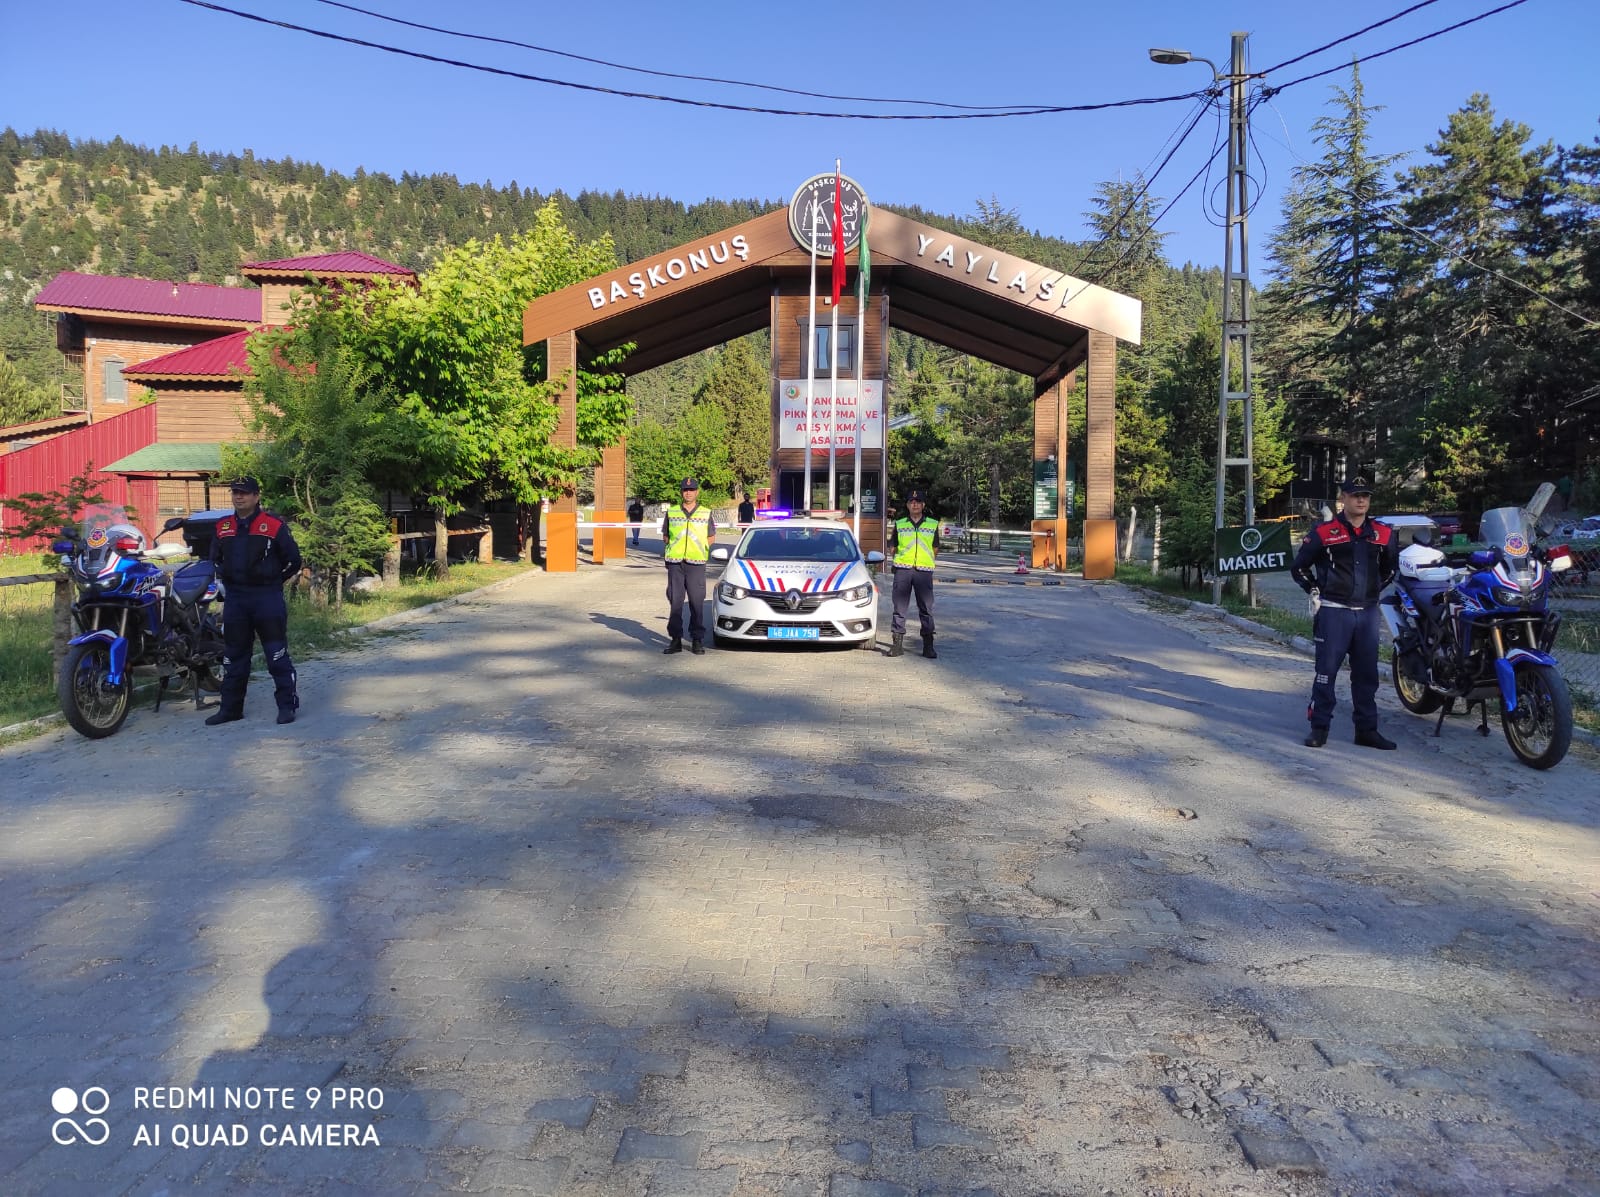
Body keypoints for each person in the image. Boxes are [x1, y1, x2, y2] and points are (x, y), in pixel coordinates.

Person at [1290, 476, 1400, 750]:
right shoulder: (1324, 532)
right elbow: (1299, 567)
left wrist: (1373, 592)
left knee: (1367, 675)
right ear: (1344, 499)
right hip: (1334, 613)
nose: (1361, 500)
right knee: (1326, 672)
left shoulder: (1382, 534)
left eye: (1365, 495)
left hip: (1367, 615)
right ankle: (1319, 728)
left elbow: (1390, 569)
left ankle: (1367, 730)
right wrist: (1315, 591)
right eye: (1355, 495)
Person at [206, 477, 303, 726]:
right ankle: (230, 709)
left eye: (245, 493)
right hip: (236, 599)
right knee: (234, 656)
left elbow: (294, 560)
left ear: (256, 497)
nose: (239, 497)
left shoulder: (272, 525)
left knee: (276, 655)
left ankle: (286, 706)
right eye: (236, 492)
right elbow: (214, 559)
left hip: (266, 597)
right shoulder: (223, 526)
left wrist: (273, 581)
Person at [661, 476, 715, 655]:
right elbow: (666, 536)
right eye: (685, 490)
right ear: (681, 492)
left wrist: (698, 549)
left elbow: (710, 537)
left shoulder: (706, 513)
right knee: (675, 602)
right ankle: (675, 639)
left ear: (697, 492)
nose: (688, 493)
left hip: (696, 564)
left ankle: (697, 640)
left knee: (696, 603)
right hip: (676, 564)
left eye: (691, 490)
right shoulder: (672, 512)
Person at [887, 489, 940, 658]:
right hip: (903, 570)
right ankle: (897, 645)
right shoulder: (900, 523)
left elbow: (935, 548)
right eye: (911, 501)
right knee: (899, 608)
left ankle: (928, 646)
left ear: (923, 505)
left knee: (926, 608)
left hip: (923, 572)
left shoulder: (932, 524)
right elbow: (892, 547)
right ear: (907, 505)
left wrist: (924, 559)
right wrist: (903, 560)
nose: (914, 504)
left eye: (918, 502)